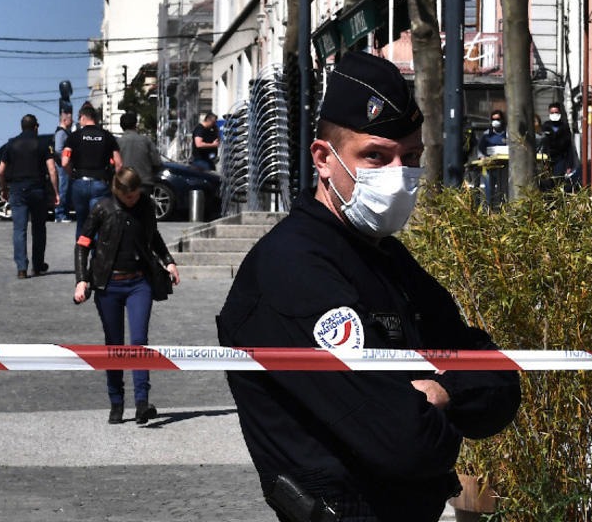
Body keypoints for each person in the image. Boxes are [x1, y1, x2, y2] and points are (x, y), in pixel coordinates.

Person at [218, 51, 521, 522]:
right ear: (323, 158)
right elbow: (406, 441)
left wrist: (441, 392)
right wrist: (447, 398)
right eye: (376, 156)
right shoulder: (293, 269)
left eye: (412, 157)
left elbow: (498, 381)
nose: (399, 175)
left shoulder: (386, 256)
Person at [73, 167, 180, 425]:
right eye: (128, 197)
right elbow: (82, 244)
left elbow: (153, 236)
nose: (133, 200)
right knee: (114, 344)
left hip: (138, 283)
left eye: (135, 195)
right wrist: (81, 280)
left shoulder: (144, 206)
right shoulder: (102, 208)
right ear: (117, 191)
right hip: (108, 285)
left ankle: (142, 403)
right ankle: (116, 402)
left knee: (140, 340)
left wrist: (169, 261)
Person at [0, 113, 60, 278]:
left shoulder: (11, 144)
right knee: (39, 229)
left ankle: (21, 268)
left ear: (21, 127)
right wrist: (56, 192)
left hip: (17, 190)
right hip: (37, 190)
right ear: (36, 127)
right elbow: (52, 169)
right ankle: (38, 265)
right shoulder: (43, 143)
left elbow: (1, 171)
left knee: (19, 229)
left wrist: (4, 189)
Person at [61, 103, 121, 239]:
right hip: (100, 184)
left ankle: (80, 256)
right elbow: (119, 163)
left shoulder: (74, 137)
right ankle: (97, 258)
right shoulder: (107, 136)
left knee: (82, 223)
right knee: (98, 223)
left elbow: (64, 162)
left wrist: (72, 174)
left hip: (80, 183)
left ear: (82, 117)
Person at [116, 111, 161, 193]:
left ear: (121, 126)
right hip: (144, 183)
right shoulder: (146, 140)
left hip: (125, 183)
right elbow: (157, 162)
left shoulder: (117, 143)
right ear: (135, 125)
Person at [540, 101, 576, 179]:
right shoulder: (545, 127)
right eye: (552, 112)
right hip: (547, 159)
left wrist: (569, 165)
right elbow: (542, 144)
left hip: (561, 159)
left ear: (560, 113)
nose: (554, 114)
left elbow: (569, 148)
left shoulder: (565, 128)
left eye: (556, 112)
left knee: (558, 178)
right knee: (547, 180)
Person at [52, 106, 73, 222]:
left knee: (65, 189)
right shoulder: (61, 133)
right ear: (64, 120)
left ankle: (63, 213)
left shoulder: (63, 133)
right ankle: (60, 215)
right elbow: (58, 150)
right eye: (70, 119)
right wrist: (67, 159)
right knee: (63, 189)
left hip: (63, 166)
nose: (72, 121)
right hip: (62, 166)